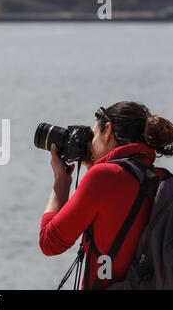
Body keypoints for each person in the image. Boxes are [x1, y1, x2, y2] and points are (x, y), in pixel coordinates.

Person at [39, 101, 173, 289]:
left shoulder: (102, 177)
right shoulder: (161, 179)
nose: (90, 145)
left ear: (108, 130)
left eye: (94, 135)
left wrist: (61, 181)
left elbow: (49, 242)